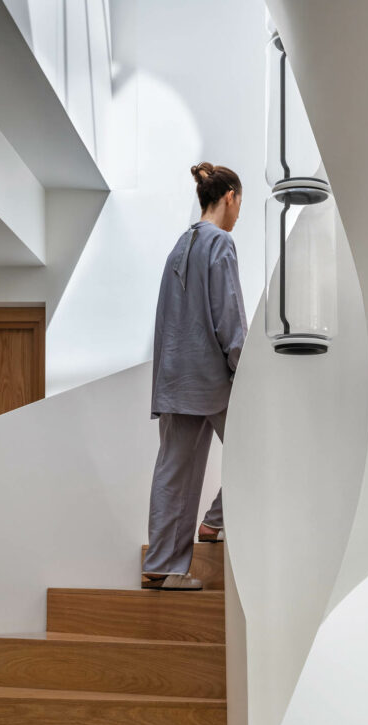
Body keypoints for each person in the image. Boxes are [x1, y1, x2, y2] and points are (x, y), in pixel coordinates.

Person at [142, 162, 247, 591]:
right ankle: (213, 522)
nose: (239, 214)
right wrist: (245, 368)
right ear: (229, 198)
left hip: (174, 380)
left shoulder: (179, 246)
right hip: (210, 381)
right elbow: (229, 318)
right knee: (256, 450)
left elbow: (167, 320)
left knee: (173, 471)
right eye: (240, 204)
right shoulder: (220, 243)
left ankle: (164, 564)